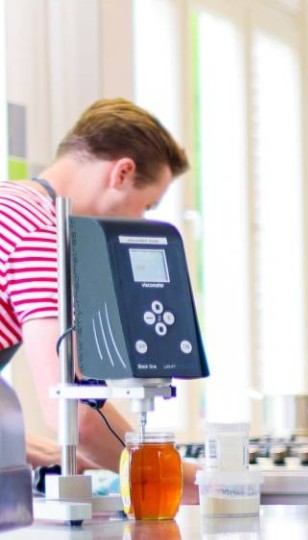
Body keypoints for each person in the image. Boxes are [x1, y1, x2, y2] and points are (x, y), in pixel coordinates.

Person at [8, 99, 194, 494]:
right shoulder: (41, 233)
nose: (140, 221)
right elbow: (75, 414)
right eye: (146, 206)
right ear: (122, 172)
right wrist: (181, 478)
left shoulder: (10, 203)